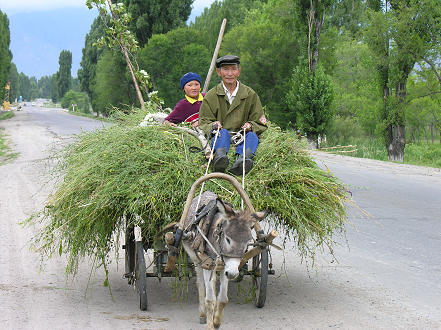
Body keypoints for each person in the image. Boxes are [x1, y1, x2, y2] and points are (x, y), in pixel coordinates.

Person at [199, 55, 267, 175]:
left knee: (252, 137)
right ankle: (220, 159)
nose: (230, 73)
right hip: (221, 135)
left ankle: (242, 161)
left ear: (239, 72)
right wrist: (213, 125)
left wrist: (250, 125)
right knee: (223, 134)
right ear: (218, 72)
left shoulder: (250, 94)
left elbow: (259, 121)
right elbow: (203, 121)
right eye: (225, 69)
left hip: (242, 135)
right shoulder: (211, 95)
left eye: (233, 69)